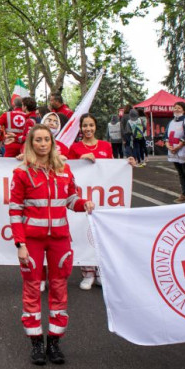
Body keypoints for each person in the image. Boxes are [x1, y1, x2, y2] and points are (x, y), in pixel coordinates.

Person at [10, 124, 94, 365]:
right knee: (32, 288)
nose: (43, 144)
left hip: (59, 240)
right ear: (31, 143)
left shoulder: (64, 169)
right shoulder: (21, 172)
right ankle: (36, 342)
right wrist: (20, 244)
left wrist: (84, 204)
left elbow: (71, 200)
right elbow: (15, 210)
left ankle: (54, 342)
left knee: (59, 288)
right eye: (38, 140)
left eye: (46, 139)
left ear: (52, 142)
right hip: (32, 241)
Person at [67, 114, 135, 289]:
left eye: (91, 125)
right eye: (84, 126)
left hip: (102, 197)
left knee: (100, 234)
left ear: (95, 126)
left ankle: (100, 272)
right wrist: (80, 161)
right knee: (83, 232)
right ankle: (87, 273)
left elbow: (111, 170)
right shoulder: (74, 148)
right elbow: (68, 170)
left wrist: (126, 164)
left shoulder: (106, 146)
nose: (88, 129)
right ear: (80, 128)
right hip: (84, 197)